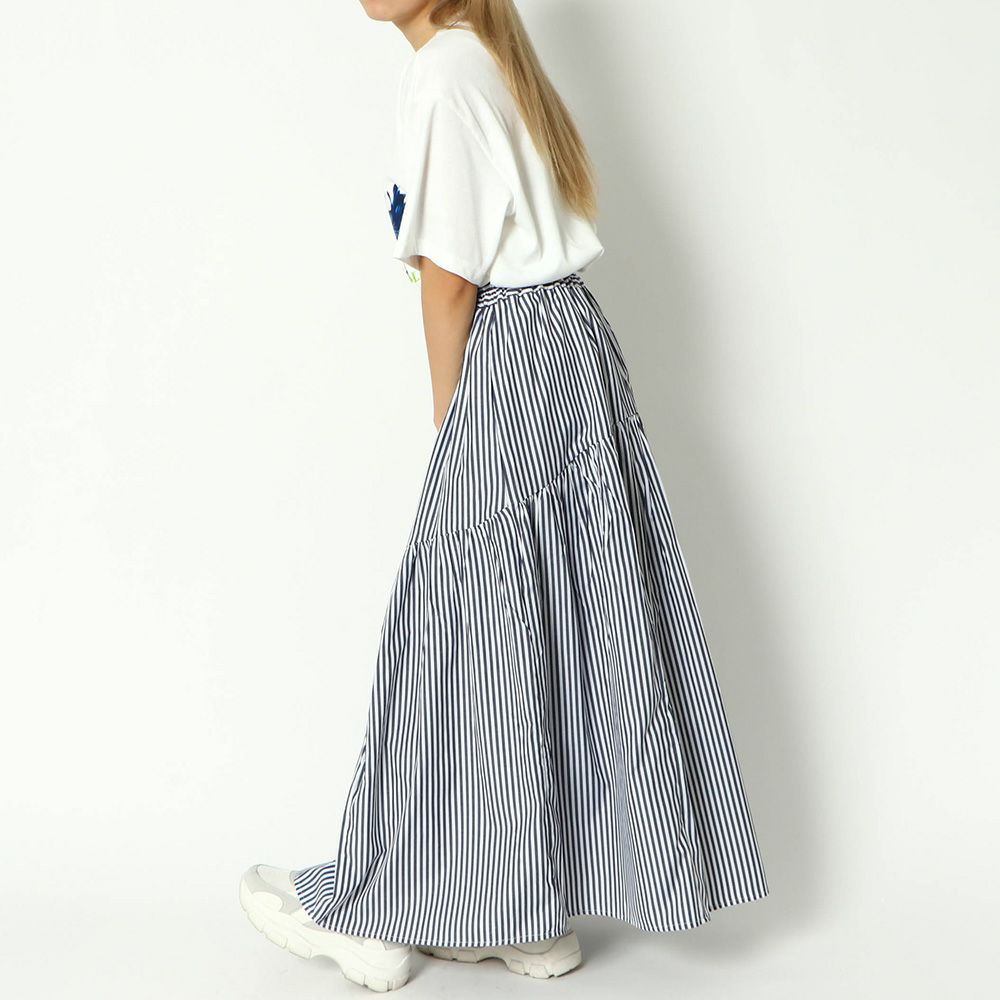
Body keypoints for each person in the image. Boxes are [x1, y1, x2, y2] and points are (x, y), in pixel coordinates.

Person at [239, 1, 768, 992]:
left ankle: (384, 910)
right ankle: (521, 915)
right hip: (568, 342)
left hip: (516, 351)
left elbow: (449, 280)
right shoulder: (487, 59)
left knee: (455, 628)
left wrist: (451, 414)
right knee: (543, 619)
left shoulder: (445, 72)